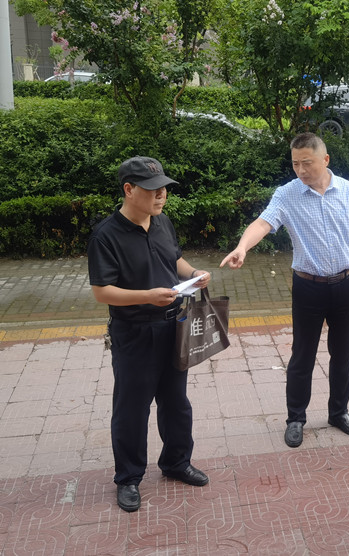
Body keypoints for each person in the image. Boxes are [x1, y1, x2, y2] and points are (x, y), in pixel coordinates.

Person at [220, 132, 349, 448]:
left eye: (307, 163)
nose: (301, 170)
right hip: (307, 287)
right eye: (295, 164)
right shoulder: (287, 194)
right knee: (302, 355)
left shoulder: (348, 191)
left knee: (342, 354)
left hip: (344, 285)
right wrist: (242, 247)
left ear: (325, 159)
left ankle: (339, 413)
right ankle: (295, 419)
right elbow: (263, 223)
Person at [87, 156, 212, 513]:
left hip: (173, 325)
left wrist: (194, 273)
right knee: (132, 408)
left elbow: (174, 260)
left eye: (164, 190)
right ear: (129, 190)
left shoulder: (162, 223)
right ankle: (128, 478)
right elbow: (102, 292)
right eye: (153, 190)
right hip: (134, 332)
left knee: (176, 402)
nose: (161, 196)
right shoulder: (105, 236)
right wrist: (147, 297)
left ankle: (176, 462)